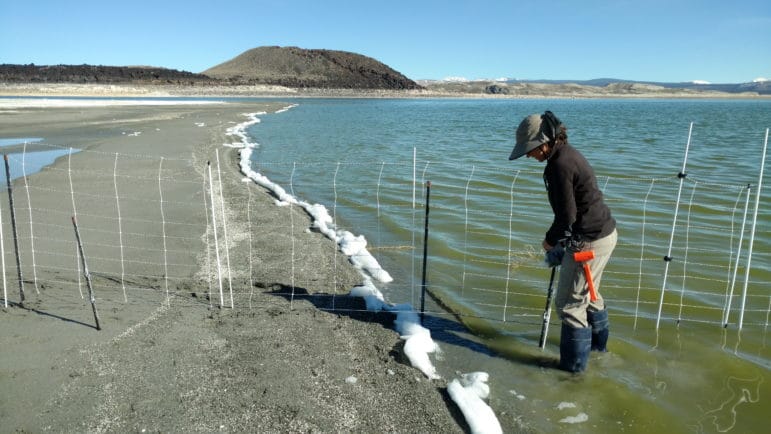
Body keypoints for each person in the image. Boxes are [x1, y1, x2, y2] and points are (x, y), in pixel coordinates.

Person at [508, 111, 617, 373]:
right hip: (604, 234)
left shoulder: (559, 165)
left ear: (546, 141)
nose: (529, 155)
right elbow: (571, 213)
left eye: (531, 149)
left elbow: (566, 217)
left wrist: (550, 242)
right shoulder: (567, 155)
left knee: (569, 306)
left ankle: (572, 374)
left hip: (587, 242)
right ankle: (599, 353)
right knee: (589, 296)